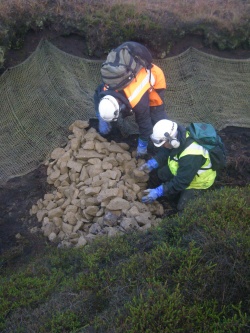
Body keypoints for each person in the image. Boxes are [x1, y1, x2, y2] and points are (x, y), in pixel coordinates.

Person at [94, 60, 168, 158]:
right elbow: (97, 96)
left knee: (156, 113)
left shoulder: (137, 100)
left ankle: (167, 138)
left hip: (153, 77)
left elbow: (145, 125)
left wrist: (142, 147)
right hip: (131, 75)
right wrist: (101, 119)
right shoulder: (106, 89)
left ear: (120, 106)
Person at [139, 119, 217, 212]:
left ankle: (175, 201)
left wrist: (160, 191)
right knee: (161, 174)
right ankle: (168, 194)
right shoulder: (179, 135)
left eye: (163, 144)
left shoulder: (192, 154)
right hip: (181, 168)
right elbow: (167, 150)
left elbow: (182, 181)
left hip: (197, 182)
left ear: (172, 141)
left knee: (183, 209)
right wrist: (155, 161)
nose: (163, 146)